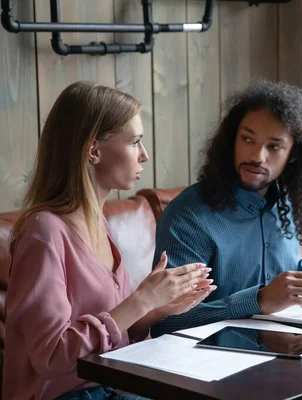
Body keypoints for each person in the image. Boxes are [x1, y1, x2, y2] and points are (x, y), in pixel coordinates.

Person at [2, 81, 216, 400]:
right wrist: (141, 300)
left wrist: (157, 308)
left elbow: (113, 331)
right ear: (93, 150)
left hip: (112, 385)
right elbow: (51, 356)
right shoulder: (43, 232)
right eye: (135, 142)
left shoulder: (98, 222)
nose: (144, 155)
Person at [151, 80, 302, 337]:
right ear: (232, 140)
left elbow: (274, 272)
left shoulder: (285, 201)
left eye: (274, 146)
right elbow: (166, 322)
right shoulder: (188, 215)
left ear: (294, 154)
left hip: (283, 348)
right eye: (247, 139)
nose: (257, 157)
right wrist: (259, 300)